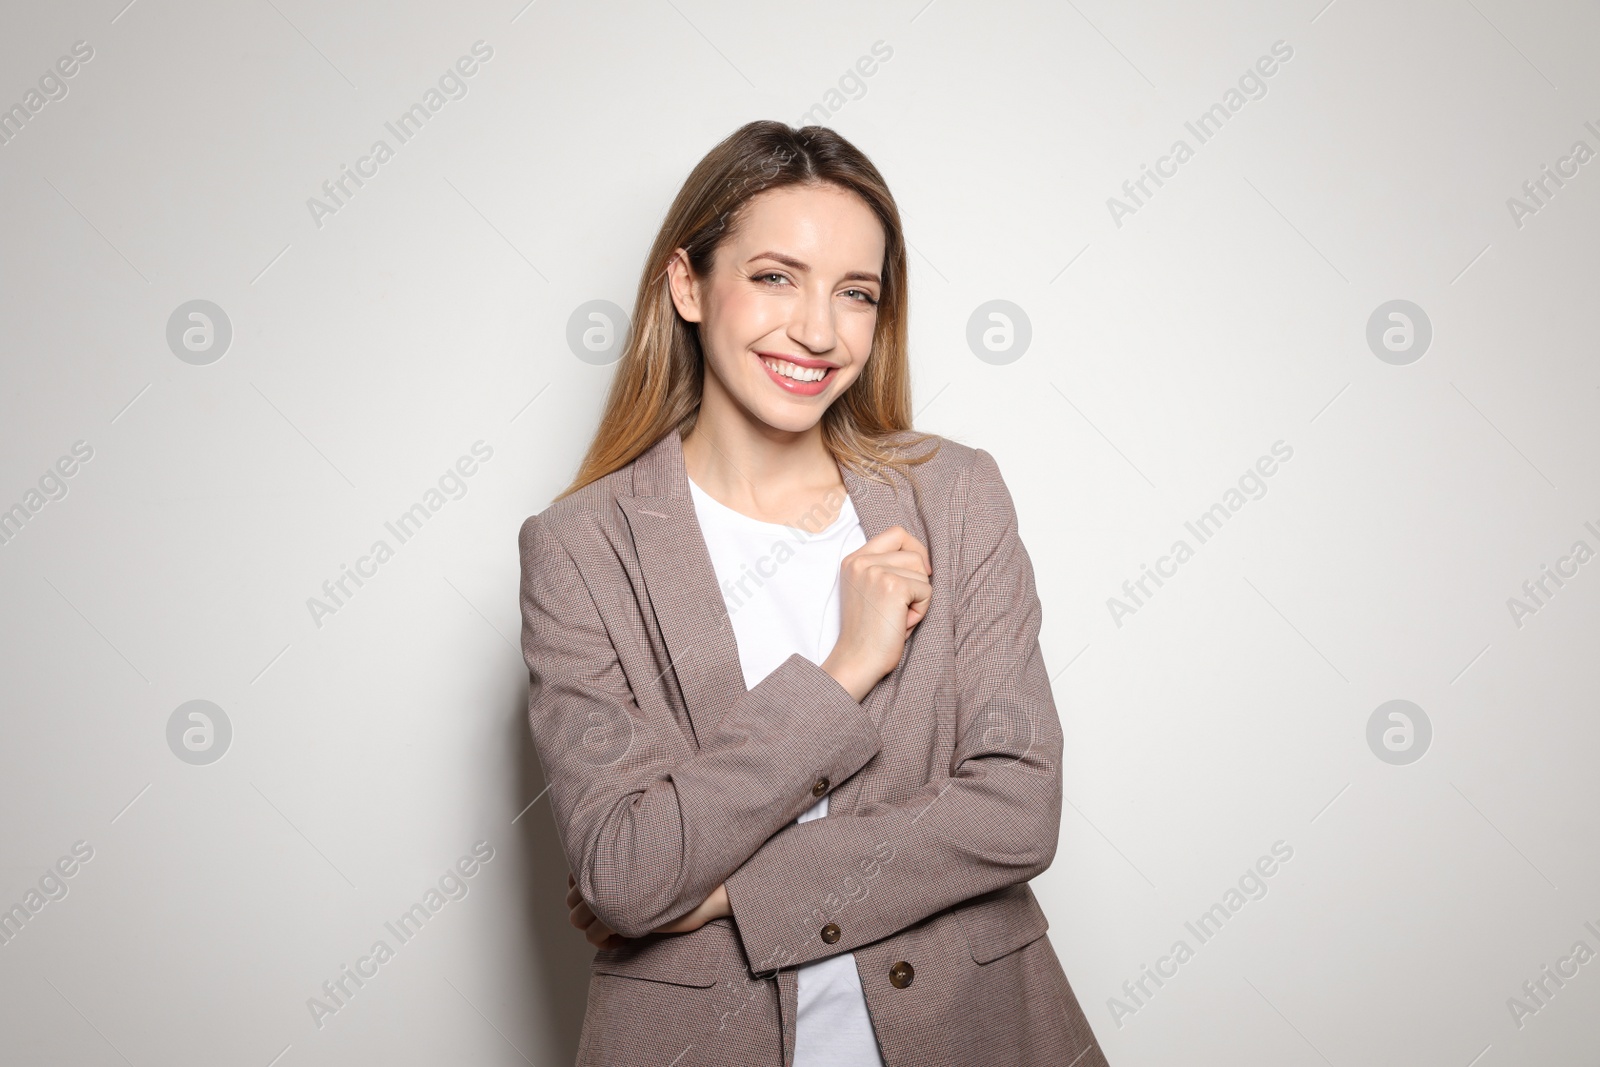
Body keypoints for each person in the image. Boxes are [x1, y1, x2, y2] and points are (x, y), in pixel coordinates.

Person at [519, 120, 1109, 1066]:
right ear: (688, 285)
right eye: (775, 277)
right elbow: (626, 870)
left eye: (855, 293)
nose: (819, 331)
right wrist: (843, 671)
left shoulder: (955, 494)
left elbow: (1016, 807)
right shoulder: (581, 548)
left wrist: (721, 892)